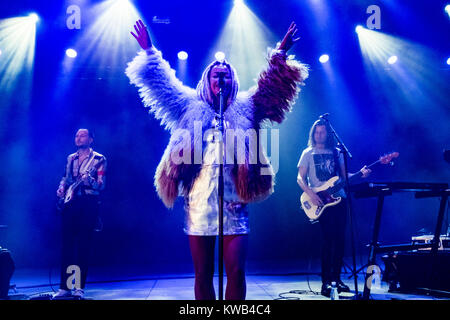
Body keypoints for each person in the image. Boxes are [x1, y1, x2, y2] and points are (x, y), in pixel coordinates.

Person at [126, 19, 308, 300]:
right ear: (207, 81)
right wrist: (149, 50)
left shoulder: (245, 107)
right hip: (199, 203)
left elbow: (271, 89)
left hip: (234, 202)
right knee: (202, 274)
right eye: (216, 76)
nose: (220, 80)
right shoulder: (189, 105)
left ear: (232, 80)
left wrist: (281, 51)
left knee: (235, 271)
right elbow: (163, 86)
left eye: (225, 76)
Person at [296, 119, 371, 297]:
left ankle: (336, 279)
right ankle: (325, 282)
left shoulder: (337, 153)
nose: (320, 135)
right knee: (328, 241)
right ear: (313, 134)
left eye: (323, 132)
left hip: (339, 199)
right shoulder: (307, 152)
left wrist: (361, 173)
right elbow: (299, 178)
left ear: (328, 134)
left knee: (340, 240)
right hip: (321, 201)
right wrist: (312, 194)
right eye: (317, 132)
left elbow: (344, 177)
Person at [53, 129, 106, 299]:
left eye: (82, 135)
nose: (78, 138)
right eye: (76, 135)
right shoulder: (71, 158)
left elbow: (101, 185)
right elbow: (65, 178)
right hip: (71, 204)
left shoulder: (99, 159)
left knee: (83, 245)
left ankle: (79, 288)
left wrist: (89, 180)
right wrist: (62, 188)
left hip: (89, 204)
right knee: (67, 245)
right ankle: (65, 287)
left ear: (91, 139)